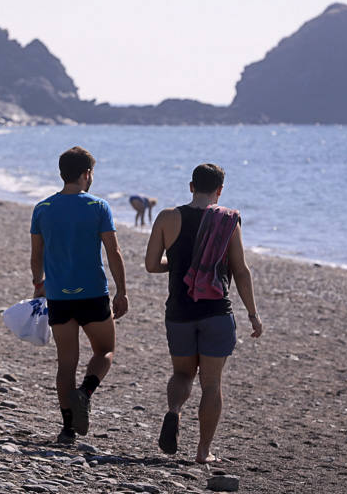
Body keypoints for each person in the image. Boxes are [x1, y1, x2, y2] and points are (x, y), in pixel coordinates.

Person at [144, 163, 263, 465]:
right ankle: (202, 451)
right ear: (220, 190)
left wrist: (179, 265)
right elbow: (240, 270)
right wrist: (252, 314)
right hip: (216, 312)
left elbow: (152, 265)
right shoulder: (227, 222)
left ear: (190, 186)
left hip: (180, 312)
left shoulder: (167, 217)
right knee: (211, 384)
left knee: (182, 374)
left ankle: (173, 412)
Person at [30, 146, 129, 445]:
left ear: (62, 174)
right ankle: (85, 393)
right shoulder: (98, 207)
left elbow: (37, 255)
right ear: (87, 174)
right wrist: (122, 291)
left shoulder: (42, 208)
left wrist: (39, 284)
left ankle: (67, 429)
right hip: (93, 295)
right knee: (104, 352)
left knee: (66, 363)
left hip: (59, 295)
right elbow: (113, 252)